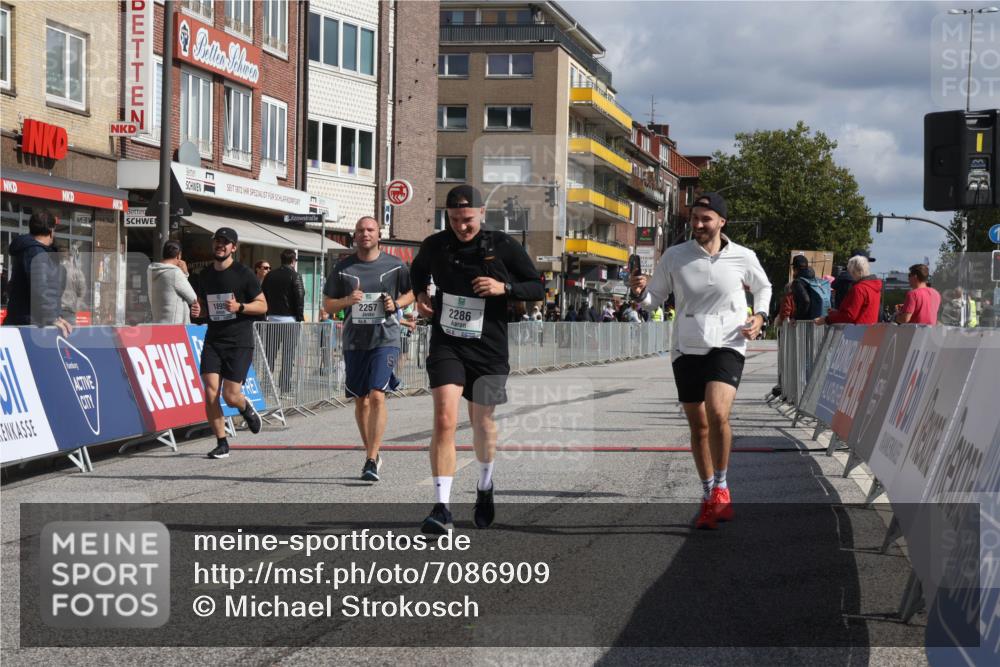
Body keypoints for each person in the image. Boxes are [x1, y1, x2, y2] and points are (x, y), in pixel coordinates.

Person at [630, 192, 771, 529]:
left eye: (705, 219)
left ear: (721, 221)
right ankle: (709, 495)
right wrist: (638, 291)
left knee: (718, 411)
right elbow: (654, 301)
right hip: (687, 345)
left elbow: (763, 287)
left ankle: (722, 488)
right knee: (699, 425)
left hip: (729, 341)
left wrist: (761, 316)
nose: (697, 224)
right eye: (694, 218)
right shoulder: (676, 256)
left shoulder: (743, 256)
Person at [410, 185, 544, 533]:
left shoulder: (502, 245)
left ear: (482, 214)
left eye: (467, 220)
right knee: (444, 418)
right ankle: (442, 507)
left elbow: (536, 285)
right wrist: (421, 293)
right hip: (447, 343)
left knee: (482, 423)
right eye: (454, 219)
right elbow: (417, 271)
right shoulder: (435, 244)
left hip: (488, 346)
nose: (461, 226)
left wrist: (506, 289)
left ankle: (485, 486)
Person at [324, 216, 414, 482]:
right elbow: (328, 305)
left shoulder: (395, 265)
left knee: (377, 395)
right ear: (355, 235)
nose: (365, 234)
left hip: (386, 338)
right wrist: (347, 300)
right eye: (361, 230)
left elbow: (411, 293)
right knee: (361, 400)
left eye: (370, 229)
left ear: (379, 234)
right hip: (355, 341)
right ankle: (372, 451)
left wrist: (395, 305)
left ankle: (371, 459)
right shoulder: (343, 268)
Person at [193, 227, 266, 458]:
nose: (220, 245)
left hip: (239, 341)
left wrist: (240, 307)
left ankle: (244, 406)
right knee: (210, 392)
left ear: (233, 247)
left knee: (230, 395)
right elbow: (205, 308)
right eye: (217, 241)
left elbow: (263, 306)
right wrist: (198, 310)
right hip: (214, 339)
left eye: (226, 242)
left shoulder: (244, 274)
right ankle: (221, 442)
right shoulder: (205, 275)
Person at [3, 209, 73, 337]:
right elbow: (40, 289)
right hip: (28, 326)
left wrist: (56, 315)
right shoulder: (35, 253)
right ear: (51, 231)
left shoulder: (34, 251)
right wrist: (52, 317)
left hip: (27, 322)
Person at [261, 248, 306, 395]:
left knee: (270, 354)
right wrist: (300, 318)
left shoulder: (270, 276)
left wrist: (267, 314)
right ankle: (285, 386)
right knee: (288, 355)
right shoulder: (295, 276)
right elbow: (300, 298)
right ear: (293, 261)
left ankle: (266, 385)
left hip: (272, 319)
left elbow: (263, 295)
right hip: (290, 320)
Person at [815, 255, 882, 326]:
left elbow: (849, 316)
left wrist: (826, 319)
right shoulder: (874, 288)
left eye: (850, 271)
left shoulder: (859, 289)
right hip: (869, 331)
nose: (850, 274)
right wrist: (837, 313)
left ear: (855, 271)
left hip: (857, 332)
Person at [148, 240, 199, 324]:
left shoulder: (151, 271)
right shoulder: (175, 273)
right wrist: (185, 273)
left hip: (158, 322)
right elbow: (192, 298)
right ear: (179, 256)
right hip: (175, 325)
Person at [789, 254, 831, 320]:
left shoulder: (797, 282)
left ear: (795, 269)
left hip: (805, 323)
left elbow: (806, 300)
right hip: (819, 321)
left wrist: (796, 317)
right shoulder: (817, 280)